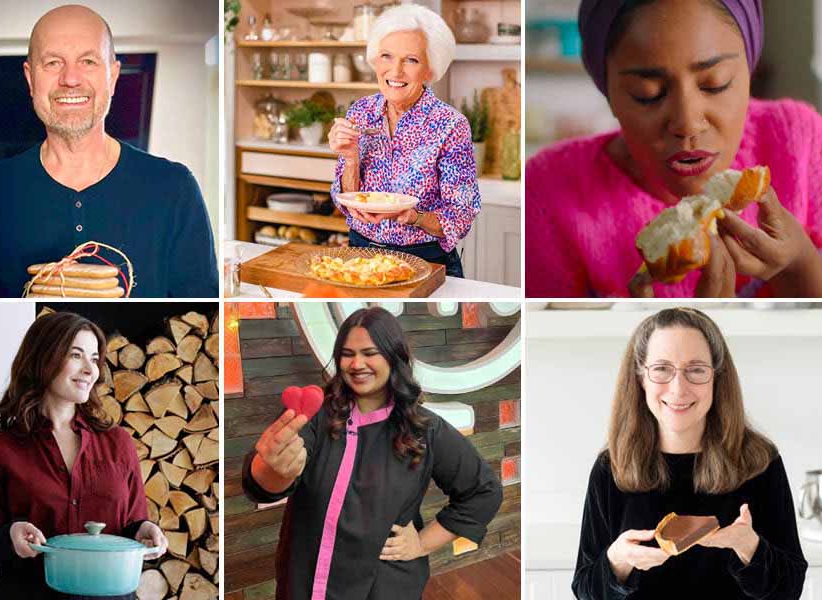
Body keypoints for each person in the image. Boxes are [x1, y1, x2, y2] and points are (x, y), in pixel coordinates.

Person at [526, 0, 822, 298]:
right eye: (648, 95)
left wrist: (800, 266)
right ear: (608, 92)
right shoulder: (547, 192)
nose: (688, 124)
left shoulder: (800, 139)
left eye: (715, 84)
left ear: (749, 69)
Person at [0, 5, 218, 298]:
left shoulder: (174, 188)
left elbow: (207, 319)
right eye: (52, 63)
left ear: (112, 76)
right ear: (30, 78)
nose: (70, 79)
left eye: (88, 61)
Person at [241, 307, 502, 599]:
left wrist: (422, 543)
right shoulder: (314, 415)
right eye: (347, 353)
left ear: (393, 356)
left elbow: (484, 491)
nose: (356, 363)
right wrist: (274, 470)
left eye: (369, 352)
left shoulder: (425, 429)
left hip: (384, 586)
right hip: (306, 580)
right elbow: (264, 485)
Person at [573, 308, 807, 599]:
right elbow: (584, 590)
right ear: (640, 378)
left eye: (696, 370)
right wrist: (618, 560)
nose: (678, 388)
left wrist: (749, 547)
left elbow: (791, 589)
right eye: (661, 369)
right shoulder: (612, 466)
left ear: (716, 378)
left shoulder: (759, 462)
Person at [0, 312, 168, 599]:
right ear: (43, 359)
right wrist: (11, 536)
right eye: (76, 355)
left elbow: (132, 525)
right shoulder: (2, 450)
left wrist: (144, 529)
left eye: (94, 358)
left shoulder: (119, 443)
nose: (91, 369)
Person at [328, 5, 481, 278]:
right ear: (375, 60)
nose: (395, 71)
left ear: (430, 70)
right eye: (386, 56)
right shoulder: (360, 112)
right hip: (361, 256)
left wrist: (413, 217)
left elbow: (461, 215)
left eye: (411, 60)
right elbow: (346, 203)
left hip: (425, 261)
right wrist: (350, 157)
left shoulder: (450, 126)